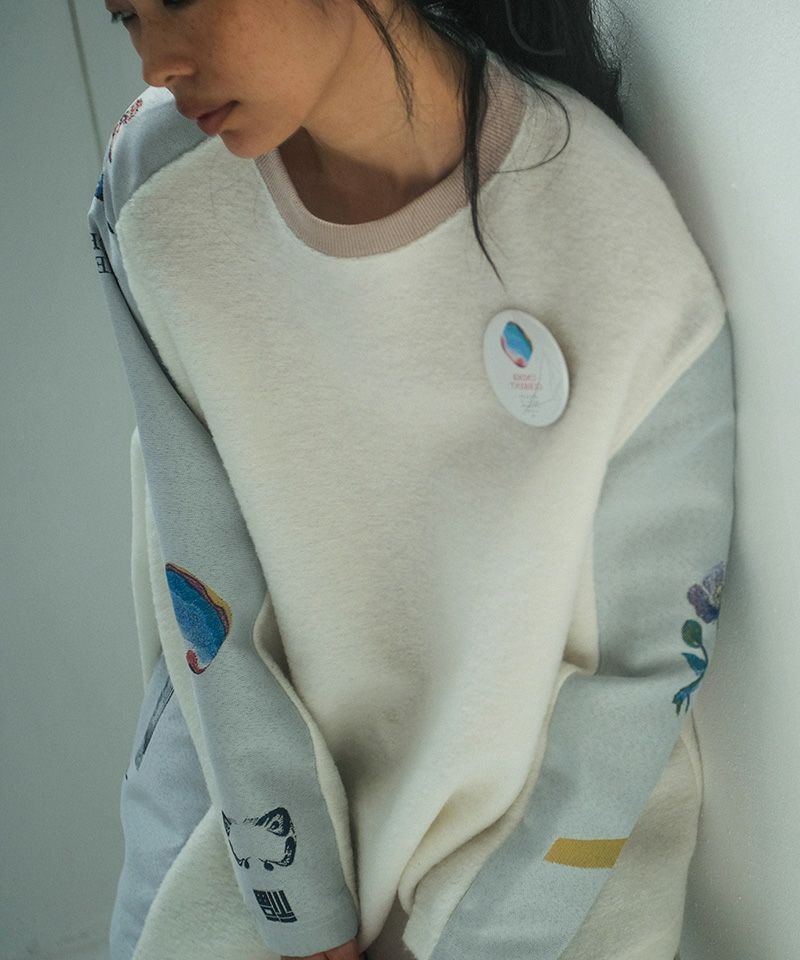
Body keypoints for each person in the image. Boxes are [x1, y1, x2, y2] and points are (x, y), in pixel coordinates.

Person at [87, 1, 735, 959]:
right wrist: (299, 911)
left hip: (536, 865)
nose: (156, 60)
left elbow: (642, 675)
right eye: (125, 16)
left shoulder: (622, 249)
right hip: (250, 810)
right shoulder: (154, 189)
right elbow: (202, 573)